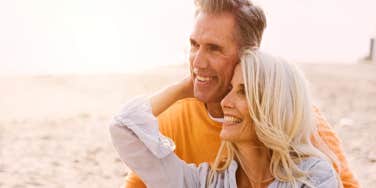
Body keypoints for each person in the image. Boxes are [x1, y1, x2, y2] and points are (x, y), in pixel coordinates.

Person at [122, 0, 358, 187]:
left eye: (214, 48)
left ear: (249, 56)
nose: (198, 62)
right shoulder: (173, 116)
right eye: (194, 45)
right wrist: (187, 86)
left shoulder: (297, 118)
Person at [110, 50, 341, 187]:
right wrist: (187, 87)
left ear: (273, 104)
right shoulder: (207, 182)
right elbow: (123, 127)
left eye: (243, 91)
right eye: (229, 88)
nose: (225, 102)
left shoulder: (314, 177)